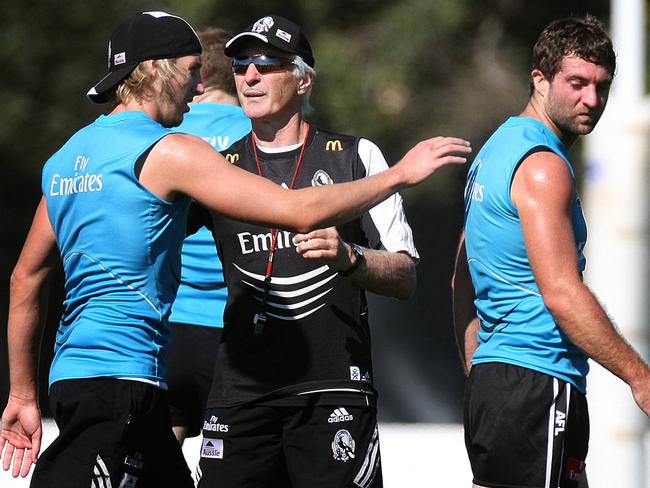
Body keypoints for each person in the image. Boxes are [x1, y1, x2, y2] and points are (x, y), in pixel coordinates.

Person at [0, 10, 471, 488]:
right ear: (158, 71)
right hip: (129, 381)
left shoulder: (65, 159)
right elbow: (299, 211)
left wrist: (22, 394)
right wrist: (399, 174)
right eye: (191, 71)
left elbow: (26, 278)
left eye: (265, 64)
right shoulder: (173, 153)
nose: (203, 87)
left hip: (88, 375)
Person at [196, 15, 418, 488]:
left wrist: (350, 258)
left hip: (333, 389)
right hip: (241, 392)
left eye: (267, 63)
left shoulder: (356, 157)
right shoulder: (218, 168)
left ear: (302, 79)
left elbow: (405, 275)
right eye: (239, 66)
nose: (249, 76)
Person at [452, 14, 650, 488]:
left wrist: (481, 370)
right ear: (539, 79)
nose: (592, 100)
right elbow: (561, 292)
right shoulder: (542, 164)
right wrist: (640, 377)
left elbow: (461, 278)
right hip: (538, 384)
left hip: (501, 385)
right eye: (577, 83)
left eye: (602, 86)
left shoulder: (493, 152)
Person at [166, 26, 251, 447]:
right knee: (235, 465)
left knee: (152, 460)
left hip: (170, 326)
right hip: (232, 330)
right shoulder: (259, 134)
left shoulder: (167, 133)